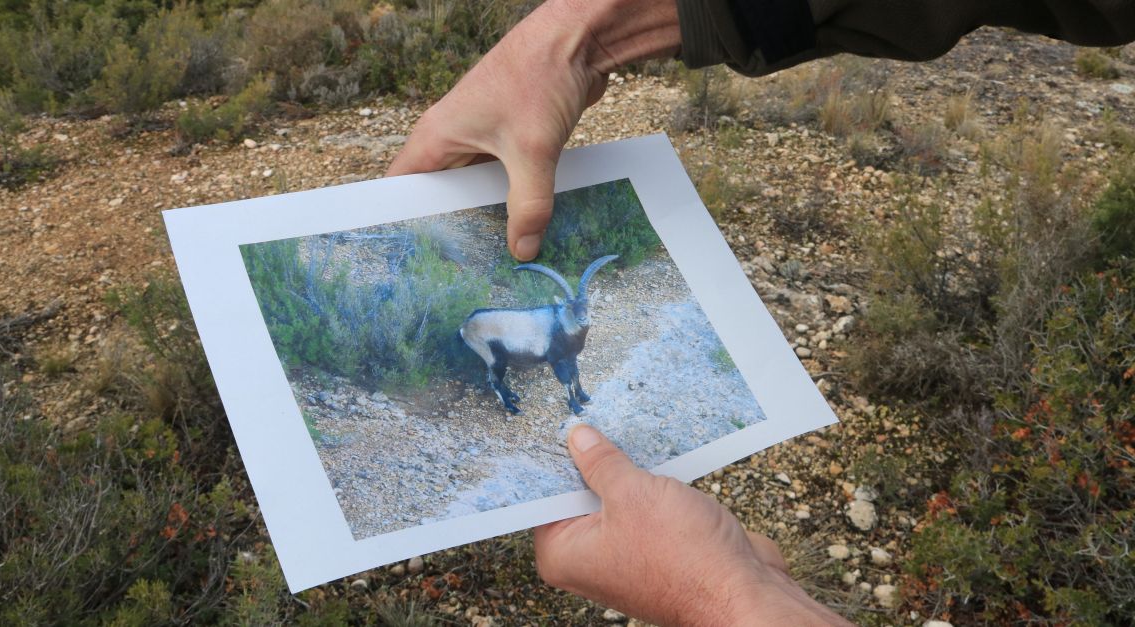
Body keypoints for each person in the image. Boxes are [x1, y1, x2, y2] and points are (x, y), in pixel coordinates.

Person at [388, 1, 1134, 623]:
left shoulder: (575, 320)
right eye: (575, 303)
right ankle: (503, 394)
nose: (582, 311)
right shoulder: (552, 324)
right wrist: (578, 36)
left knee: (565, 361)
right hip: (500, 336)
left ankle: (564, 394)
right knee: (517, 365)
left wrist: (720, 595)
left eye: (584, 302)